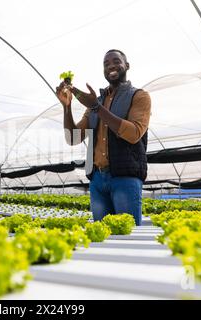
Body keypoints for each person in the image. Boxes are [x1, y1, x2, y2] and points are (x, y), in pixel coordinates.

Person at [56, 49, 151, 226]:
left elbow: (134, 134)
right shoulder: (95, 102)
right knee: (103, 238)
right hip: (97, 180)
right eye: (106, 64)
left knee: (128, 235)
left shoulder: (139, 96)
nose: (111, 66)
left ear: (127, 66)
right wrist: (67, 106)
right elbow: (73, 138)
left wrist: (96, 108)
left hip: (125, 177)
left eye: (116, 61)